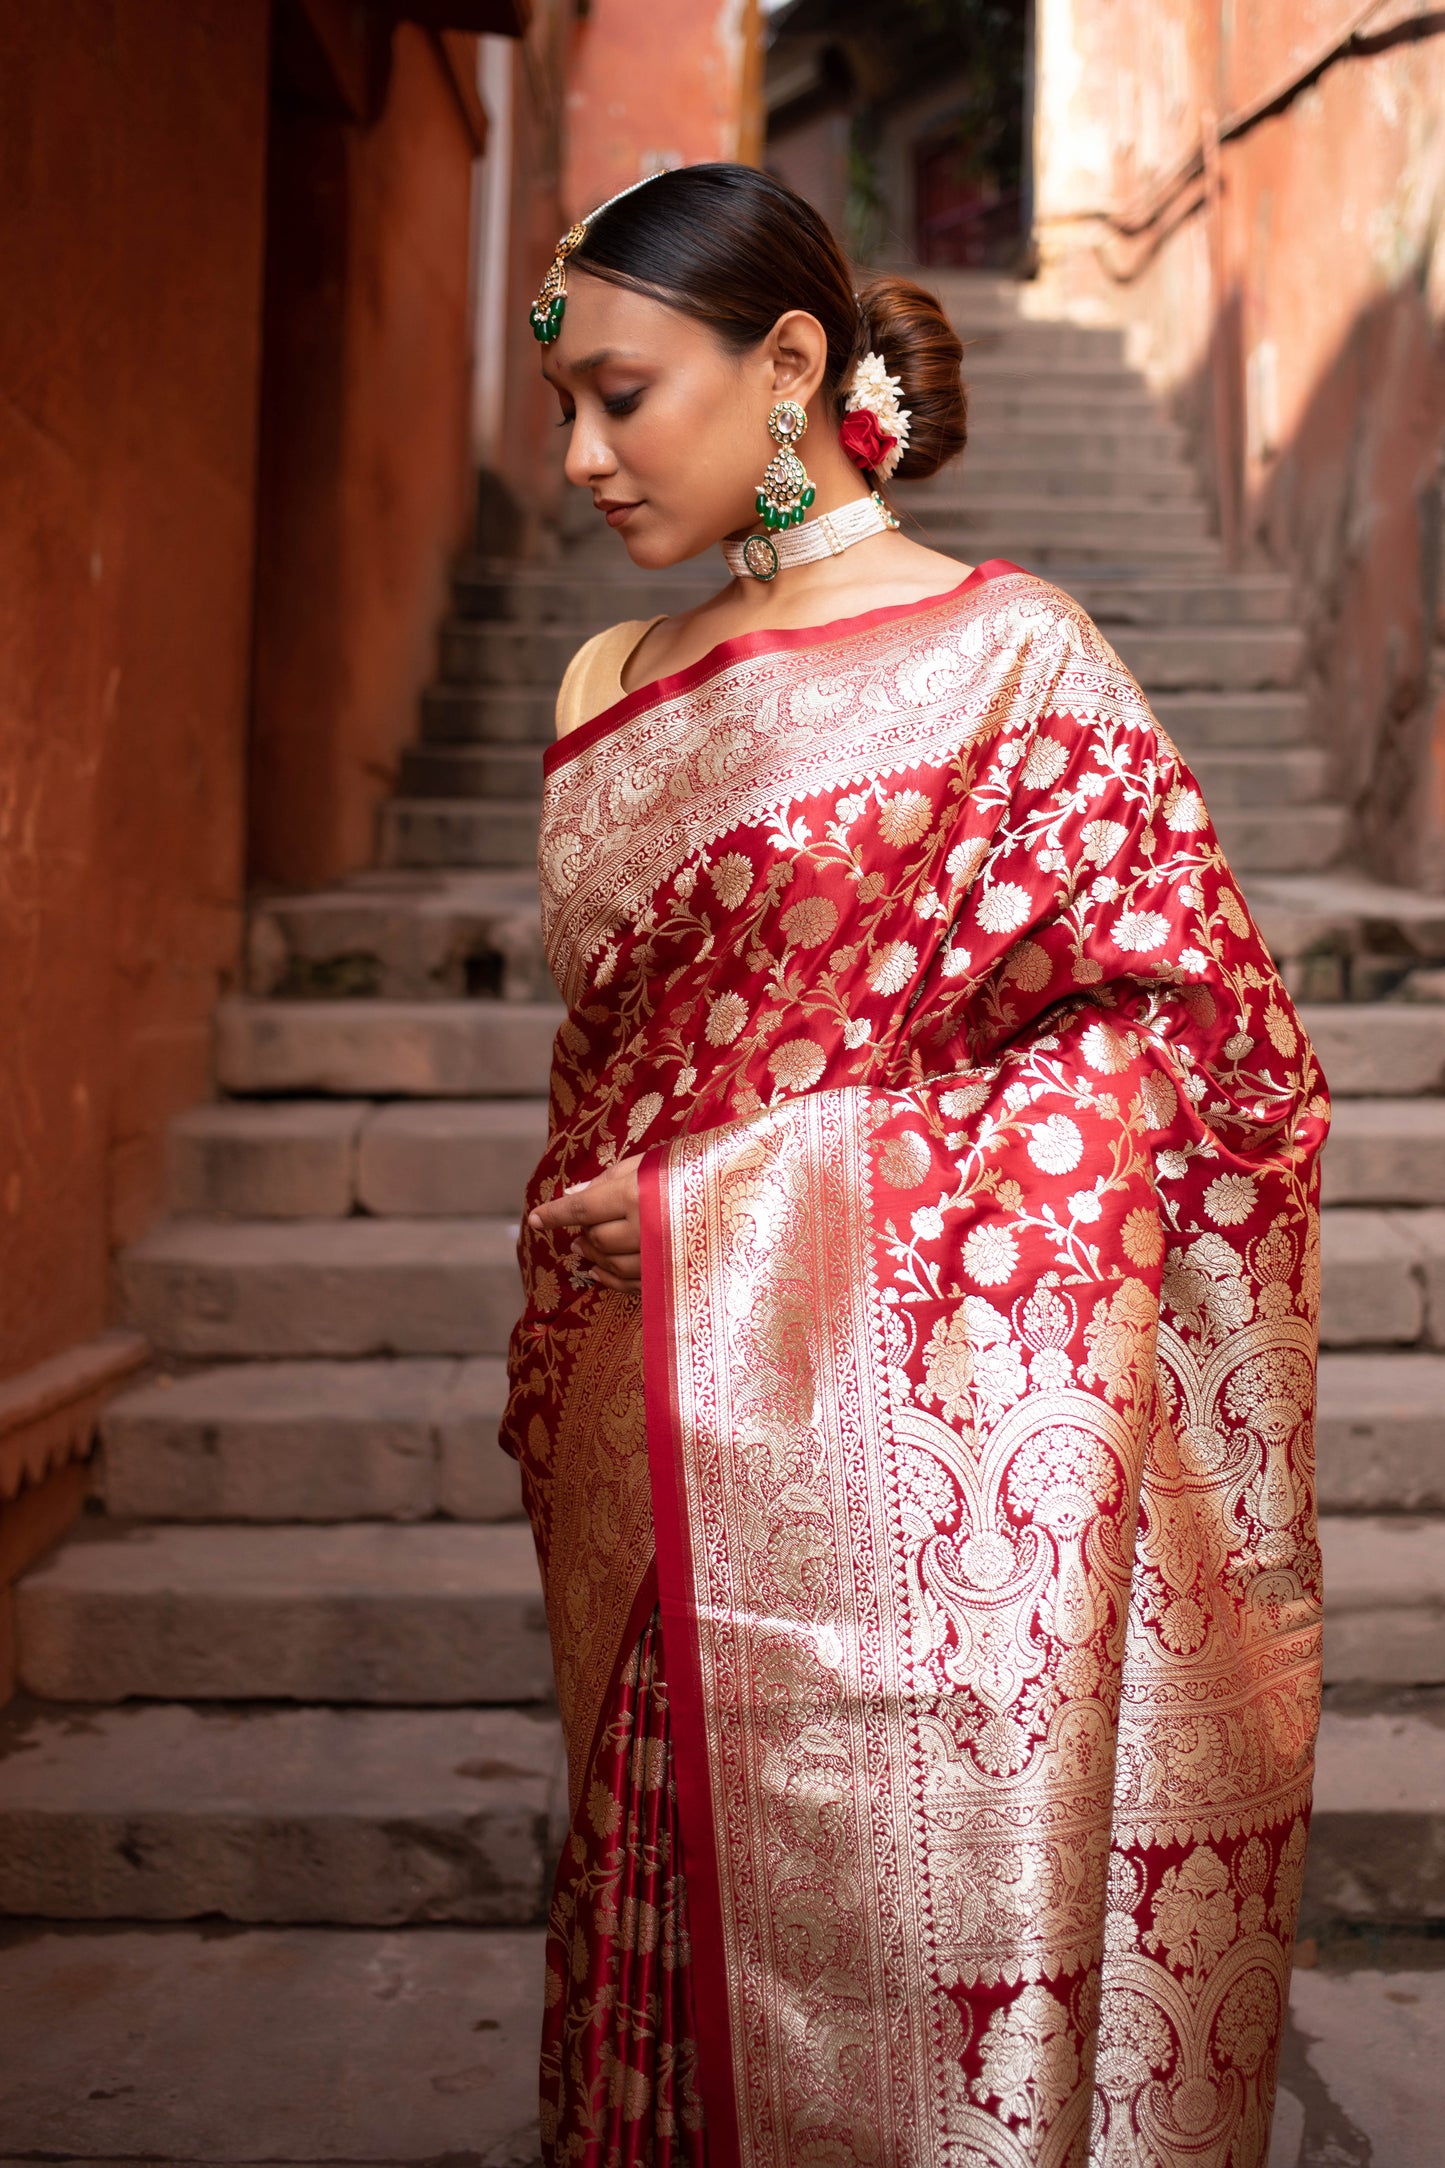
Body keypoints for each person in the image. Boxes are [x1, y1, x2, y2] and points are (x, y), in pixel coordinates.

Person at [502, 162, 1327, 2168]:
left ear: (789, 364)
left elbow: (1207, 1065)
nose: (585, 454)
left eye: (626, 393)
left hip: (926, 1507)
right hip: (648, 1449)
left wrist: (747, 1205)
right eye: (565, 407)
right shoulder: (606, 684)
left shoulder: (1014, 660)